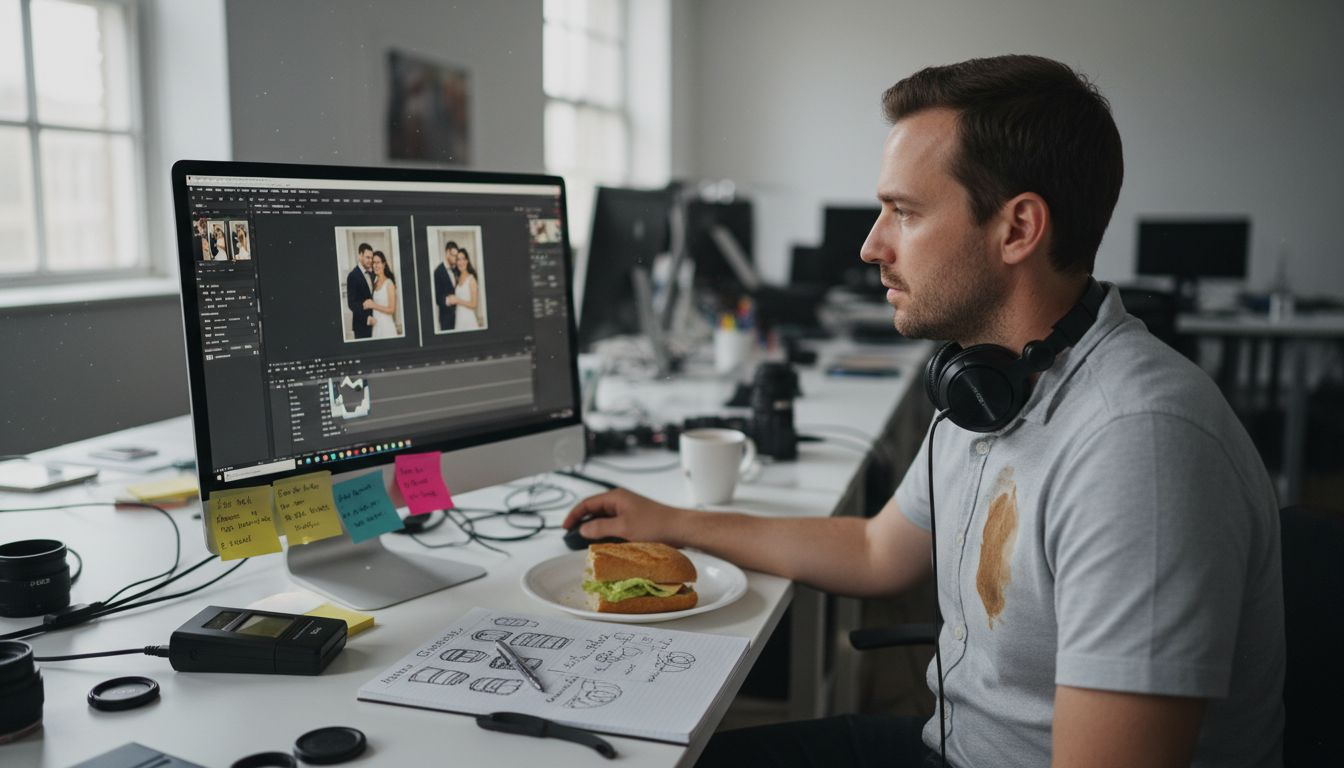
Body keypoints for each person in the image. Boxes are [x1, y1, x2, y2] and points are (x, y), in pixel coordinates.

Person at [563, 55, 1284, 768]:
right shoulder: (992, 382)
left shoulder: (1137, 446)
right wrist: (674, 522)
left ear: (1018, 229)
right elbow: (878, 551)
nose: (870, 245)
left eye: (904, 213)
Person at [365, 250, 399, 339]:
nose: (375, 265)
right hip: (376, 326)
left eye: (378, 262)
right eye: (373, 263)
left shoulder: (389, 283)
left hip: (386, 327)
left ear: (384, 264)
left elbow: (392, 309)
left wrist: (373, 305)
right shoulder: (375, 282)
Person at [346, 242, 376, 339]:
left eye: (371, 258)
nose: (370, 260)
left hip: (376, 323)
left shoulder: (373, 274)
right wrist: (367, 318)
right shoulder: (352, 276)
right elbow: (351, 303)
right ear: (360, 255)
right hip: (361, 325)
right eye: (367, 257)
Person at [448, 248, 480, 330]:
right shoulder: (457, 278)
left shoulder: (471, 279)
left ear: (467, 261)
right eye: (458, 259)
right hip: (459, 318)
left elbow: (474, 304)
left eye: (463, 259)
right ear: (456, 262)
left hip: (468, 319)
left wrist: (457, 300)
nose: (461, 262)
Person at [433, 240, 460, 332]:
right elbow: (437, 297)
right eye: (454, 256)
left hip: (460, 315)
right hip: (446, 318)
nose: (456, 259)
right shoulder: (438, 272)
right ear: (447, 253)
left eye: (457, 256)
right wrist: (449, 300)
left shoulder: (457, 269)